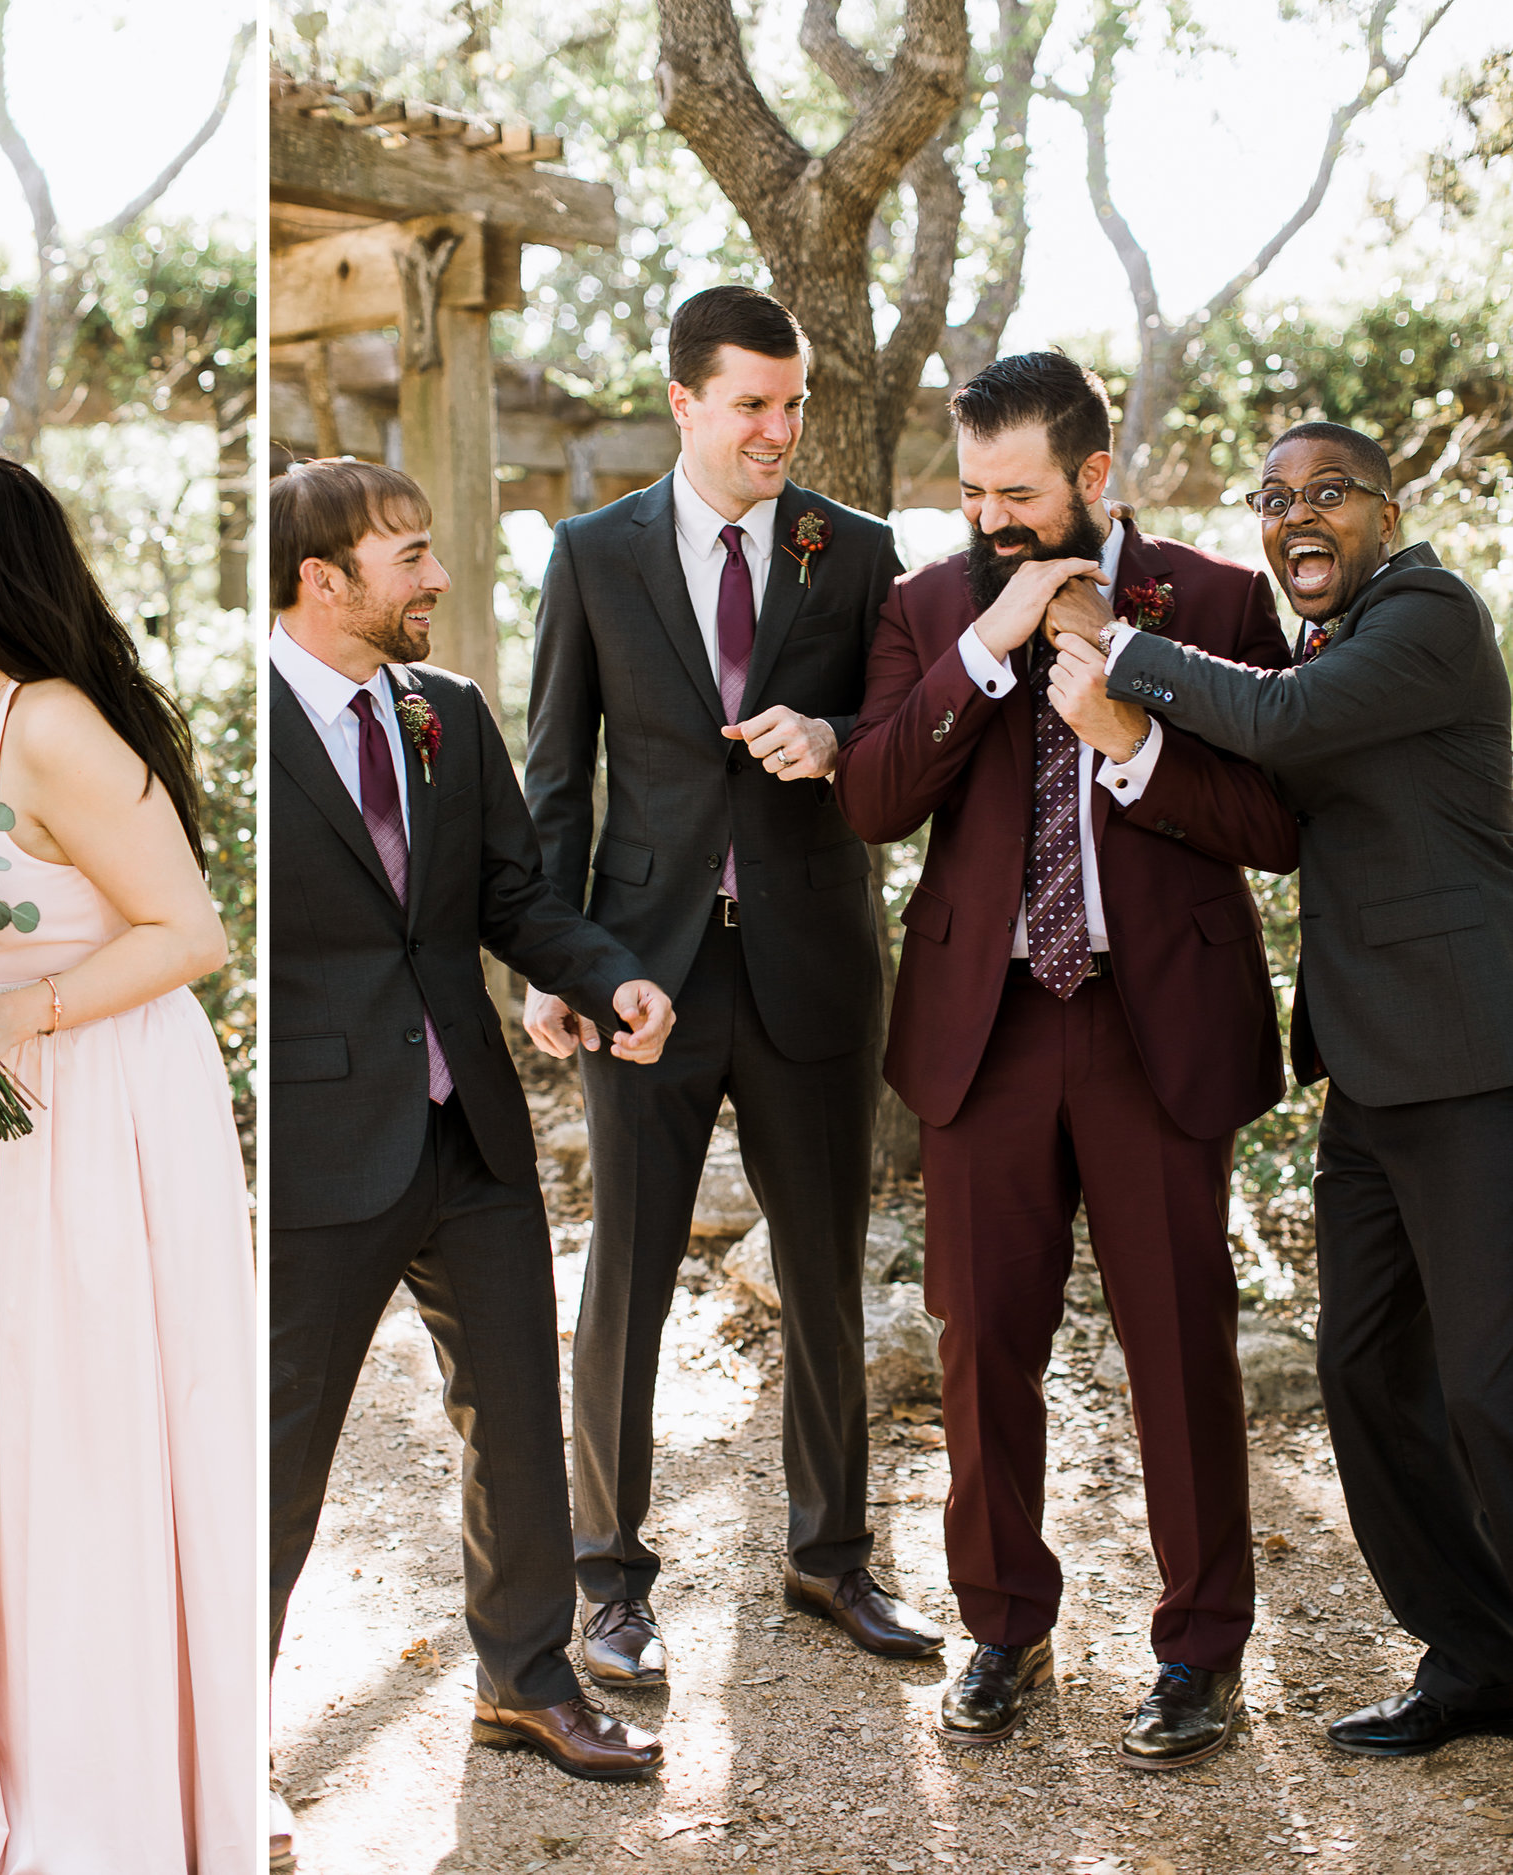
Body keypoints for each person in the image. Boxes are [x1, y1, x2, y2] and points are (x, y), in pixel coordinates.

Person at [836, 352, 1299, 1767]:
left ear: (1094, 478)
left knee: (1179, 1344)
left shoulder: (1215, 602)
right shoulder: (930, 606)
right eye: (973, 493)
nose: (993, 519)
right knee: (982, 1347)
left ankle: (1200, 1650)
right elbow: (873, 798)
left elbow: (1279, 821)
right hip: (987, 1032)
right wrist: (992, 646)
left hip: (1154, 1020)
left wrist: (1133, 746)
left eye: (1020, 494)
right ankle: (1002, 1627)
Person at [1078, 420, 1513, 1758]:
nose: (1296, 519)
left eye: (1328, 493)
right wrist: (1128, 746)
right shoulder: (1331, 645)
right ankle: (1480, 1661)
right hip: (1370, 1069)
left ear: (1389, 508)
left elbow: (1274, 723)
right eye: (1273, 500)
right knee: (1365, 1373)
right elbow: (1260, 787)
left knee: (1494, 1384)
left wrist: (1116, 641)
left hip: (1474, 1058)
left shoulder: (1428, 616)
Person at [522, 284, 934, 1682]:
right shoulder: (591, 554)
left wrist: (832, 733)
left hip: (813, 965)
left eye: (794, 402)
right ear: (686, 403)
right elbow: (555, 776)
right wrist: (553, 959)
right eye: (752, 403)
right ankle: (611, 1579)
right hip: (643, 976)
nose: (780, 428)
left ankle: (832, 1560)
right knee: (625, 1278)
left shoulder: (857, 549)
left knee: (825, 1273)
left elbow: (906, 727)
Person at [269, 457, 678, 1806]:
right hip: (325, 1140)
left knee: (514, 1412)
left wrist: (597, 972)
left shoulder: (447, 711)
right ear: (324, 581)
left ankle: (527, 1680)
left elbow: (512, 893)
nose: (438, 577)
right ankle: (218, 1728)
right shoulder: (253, 718)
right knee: (281, 1445)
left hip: (473, 1132)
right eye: (408, 556)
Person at [0, 449, 252, 1873]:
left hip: (101, 1109)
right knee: (35, 1424)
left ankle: (122, 1784)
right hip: (11, 1110)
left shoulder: (56, 727)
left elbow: (189, 935)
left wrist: (17, 1012)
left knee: (95, 1426)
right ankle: (47, 1739)